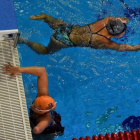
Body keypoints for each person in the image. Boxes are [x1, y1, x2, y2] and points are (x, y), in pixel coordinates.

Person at [18, 12, 140, 54]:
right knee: (45, 51)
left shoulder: (106, 20)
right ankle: (24, 41)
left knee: (59, 24)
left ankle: (45, 17)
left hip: (68, 29)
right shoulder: (104, 41)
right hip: (62, 41)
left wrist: (124, 20)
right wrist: (136, 48)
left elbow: (118, 19)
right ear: (117, 35)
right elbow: (123, 47)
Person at [2, 63, 64, 137]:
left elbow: (37, 130)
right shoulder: (43, 95)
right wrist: (19, 69)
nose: (31, 105)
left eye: (35, 107)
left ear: (42, 112)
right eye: (34, 103)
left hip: (48, 132)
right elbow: (42, 71)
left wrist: (36, 129)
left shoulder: (45, 119)